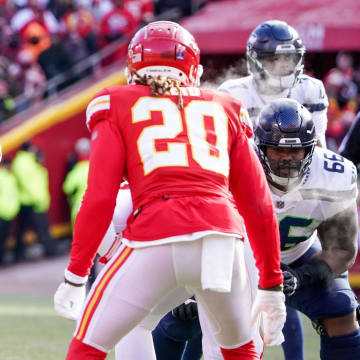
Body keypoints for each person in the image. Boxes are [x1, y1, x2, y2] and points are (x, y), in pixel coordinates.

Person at [53, 20, 286, 360]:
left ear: (133, 67)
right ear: (193, 69)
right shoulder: (226, 107)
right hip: (222, 239)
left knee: (86, 347)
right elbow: (258, 202)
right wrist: (272, 283)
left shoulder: (115, 102)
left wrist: (75, 275)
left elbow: (99, 197)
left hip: (156, 234)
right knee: (240, 351)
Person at [217, 19, 330, 360]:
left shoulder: (310, 90)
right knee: (230, 296)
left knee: (305, 293)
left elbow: (319, 151)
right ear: (254, 61)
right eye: (272, 59)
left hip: (295, 195)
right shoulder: (233, 93)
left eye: (288, 58)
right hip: (246, 199)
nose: (281, 67)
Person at [11, 141, 57, 261]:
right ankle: (50, 250)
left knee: (24, 229)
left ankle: (19, 254)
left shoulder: (24, 161)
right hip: (32, 201)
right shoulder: (25, 162)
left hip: (30, 200)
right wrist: (37, 198)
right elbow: (28, 183)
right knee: (41, 227)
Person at [63, 137, 90, 228]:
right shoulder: (96, 169)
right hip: (97, 208)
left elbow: (67, 188)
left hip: (79, 209)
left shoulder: (75, 172)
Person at [0, 157, 20, 265]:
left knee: (5, 238)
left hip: (10, 213)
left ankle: (2, 259)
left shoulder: (11, 178)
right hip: (2, 213)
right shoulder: (2, 177)